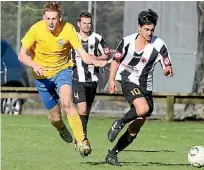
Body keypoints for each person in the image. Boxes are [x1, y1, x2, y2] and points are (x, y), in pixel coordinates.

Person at [18, 2, 106, 157]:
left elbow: (83, 54)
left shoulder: (68, 29)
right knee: (56, 118)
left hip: (62, 72)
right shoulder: (36, 29)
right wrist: (34, 64)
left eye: (54, 18)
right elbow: (21, 55)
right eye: (48, 18)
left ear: (60, 18)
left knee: (67, 103)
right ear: (43, 17)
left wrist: (95, 61)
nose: (51, 22)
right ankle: (60, 128)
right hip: (42, 77)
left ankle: (82, 141)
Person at [105, 9, 174, 166]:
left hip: (145, 86)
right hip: (127, 79)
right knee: (142, 109)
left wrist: (168, 70)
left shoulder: (159, 45)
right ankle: (119, 123)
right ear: (139, 27)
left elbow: (167, 64)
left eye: (152, 30)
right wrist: (111, 80)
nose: (149, 33)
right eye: (146, 29)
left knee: (138, 123)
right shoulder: (127, 42)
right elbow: (115, 61)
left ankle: (113, 154)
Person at [71, 12, 110, 152]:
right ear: (79, 24)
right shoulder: (73, 37)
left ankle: (80, 137)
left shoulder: (97, 38)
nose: (87, 25)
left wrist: (98, 57)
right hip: (77, 79)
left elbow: (106, 53)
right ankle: (82, 139)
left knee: (85, 112)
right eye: (84, 23)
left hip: (92, 80)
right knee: (81, 108)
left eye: (89, 23)